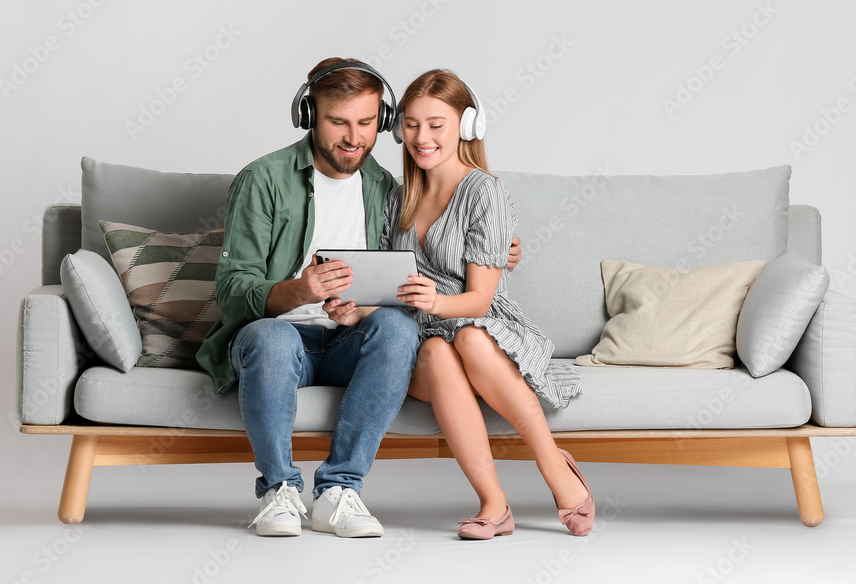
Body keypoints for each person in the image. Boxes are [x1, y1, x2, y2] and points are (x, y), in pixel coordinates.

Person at [196, 58, 521, 538]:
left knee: (396, 327)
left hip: (350, 340)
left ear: (384, 122)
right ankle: (279, 491)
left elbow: (426, 263)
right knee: (268, 337)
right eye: (338, 122)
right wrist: (299, 290)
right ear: (309, 116)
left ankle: (339, 491)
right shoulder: (262, 180)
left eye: (367, 123)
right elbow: (230, 289)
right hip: (280, 338)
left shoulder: (387, 189)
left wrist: (501, 249)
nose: (354, 137)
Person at [373, 69, 593, 539]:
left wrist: (434, 300)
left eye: (436, 124)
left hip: (479, 327)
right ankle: (495, 503)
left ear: (466, 126)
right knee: (433, 350)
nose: (421, 136)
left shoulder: (484, 192)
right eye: (410, 124)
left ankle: (553, 466)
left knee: (469, 338)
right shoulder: (399, 197)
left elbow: (480, 300)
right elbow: (384, 282)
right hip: (420, 338)